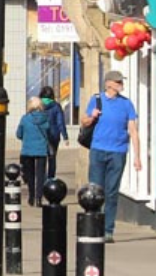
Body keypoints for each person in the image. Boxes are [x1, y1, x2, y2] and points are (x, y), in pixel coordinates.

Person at [80, 70, 142, 242]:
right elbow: (84, 122)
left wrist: (137, 157)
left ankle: (108, 230)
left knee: (112, 192)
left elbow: (133, 131)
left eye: (121, 82)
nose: (121, 85)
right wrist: (92, 117)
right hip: (98, 150)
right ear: (109, 84)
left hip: (118, 152)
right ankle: (95, 227)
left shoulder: (127, 104)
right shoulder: (97, 100)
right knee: (95, 190)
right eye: (118, 82)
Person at [16, 96, 51, 206]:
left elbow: (19, 134)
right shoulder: (45, 118)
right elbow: (49, 133)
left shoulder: (25, 118)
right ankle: (39, 198)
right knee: (40, 175)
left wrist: (26, 138)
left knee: (30, 174)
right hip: (41, 149)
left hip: (27, 149)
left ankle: (31, 196)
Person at [39, 84, 68, 178]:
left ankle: (41, 179)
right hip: (54, 136)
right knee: (52, 158)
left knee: (41, 158)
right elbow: (60, 122)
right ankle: (51, 179)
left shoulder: (38, 106)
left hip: (41, 135)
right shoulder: (56, 106)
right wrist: (65, 137)